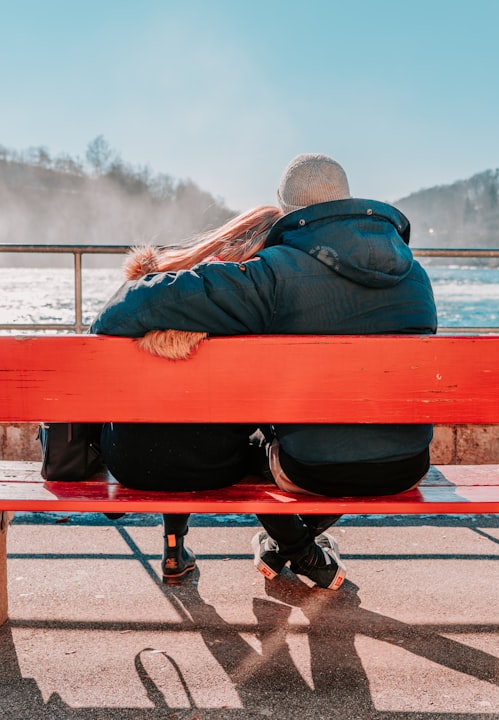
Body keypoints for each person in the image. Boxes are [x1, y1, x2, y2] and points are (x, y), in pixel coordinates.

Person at [91, 153, 438, 590]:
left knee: (270, 448)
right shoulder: (416, 276)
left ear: (288, 210)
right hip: (409, 465)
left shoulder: (276, 275)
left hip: (311, 469)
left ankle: (291, 547)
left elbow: (137, 304)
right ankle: (290, 548)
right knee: (346, 447)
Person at [98, 205, 282, 582]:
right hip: (215, 466)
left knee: (170, 413)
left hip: (128, 462)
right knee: (248, 441)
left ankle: (173, 546)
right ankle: (297, 548)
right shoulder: (247, 305)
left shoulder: (150, 289)